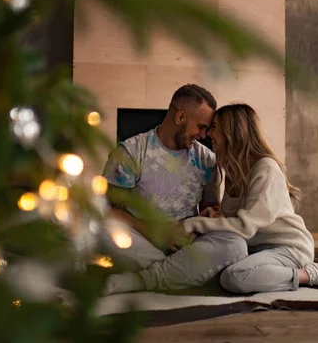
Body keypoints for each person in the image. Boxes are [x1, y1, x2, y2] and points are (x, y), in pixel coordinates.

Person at [183, 104, 318, 293]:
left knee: (234, 277)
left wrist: (193, 223)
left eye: (214, 127)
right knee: (217, 271)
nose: (207, 134)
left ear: (233, 131)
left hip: (289, 248)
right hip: (257, 248)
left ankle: (311, 275)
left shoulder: (266, 169)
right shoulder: (234, 170)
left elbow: (244, 227)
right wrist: (214, 215)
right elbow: (239, 218)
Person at [100, 84, 247, 295]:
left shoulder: (206, 160)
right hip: (142, 240)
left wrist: (209, 215)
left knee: (236, 245)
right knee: (101, 227)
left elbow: (210, 208)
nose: (204, 134)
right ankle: (184, 273)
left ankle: (146, 278)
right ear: (180, 118)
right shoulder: (131, 152)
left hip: (186, 244)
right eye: (201, 126)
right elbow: (108, 211)